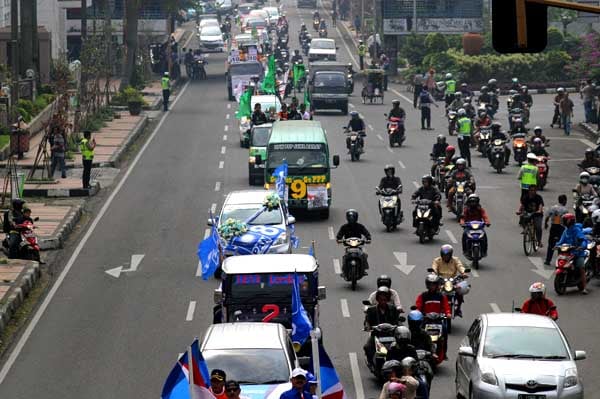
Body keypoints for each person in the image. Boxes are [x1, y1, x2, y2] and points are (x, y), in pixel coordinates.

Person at [415, 274, 451, 357]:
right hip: (426, 320)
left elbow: (446, 306)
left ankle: (444, 352)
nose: (432, 286)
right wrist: (418, 312)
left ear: (437, 285)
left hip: (438, 320)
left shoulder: (441, 296)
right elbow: (418, 306)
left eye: (434, 284)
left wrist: (448, 313)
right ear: (427, 285)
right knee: (419, 332)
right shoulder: (423, 296)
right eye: (430, 284)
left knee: (444, 332)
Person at [556, 213, 589, 294]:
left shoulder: (576, 230)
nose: (563, 222)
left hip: (577, 253)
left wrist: (581, 246)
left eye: (565, 220)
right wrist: (556, 245)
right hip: (567, 253)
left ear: (569, 221)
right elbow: (561, 241)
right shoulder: (565, 231)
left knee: (581, 268)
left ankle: (584, 287)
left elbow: (583, 240)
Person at [431, 244, 468, 316]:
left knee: (460, 291)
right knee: (433, 292)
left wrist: (463, 273)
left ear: (450, 255)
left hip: (453, 280)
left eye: (447, 255)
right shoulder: (437, 260)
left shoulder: (455, 260)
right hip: (441, 280)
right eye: (444, 255)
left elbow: (460, 266)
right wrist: (433, 274)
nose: (446, 257)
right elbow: (434, 268)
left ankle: (458, 308)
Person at [336, 209, 371, 277]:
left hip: (358, 246)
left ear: (356, 217)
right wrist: (339, 239)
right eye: (350, 217)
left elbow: (366, 233)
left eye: (353, 217)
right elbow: (339, 236)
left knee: (364, 255)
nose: (351, 219)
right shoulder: (344, 227)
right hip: (348, 247)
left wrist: (368, 239)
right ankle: (344, 271)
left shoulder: (360, 226)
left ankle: (363, 269)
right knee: (345, 257)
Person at [544, 194, 568, 265]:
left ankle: (548, 260)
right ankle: (560, 261)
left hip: (553, 227)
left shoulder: (553, 208)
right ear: (564, 201)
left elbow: (547, 216)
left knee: (551, 243)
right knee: (561, 244)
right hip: (561, 228)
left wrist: (546, 223)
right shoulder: (565, 210)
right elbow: (566, 221)